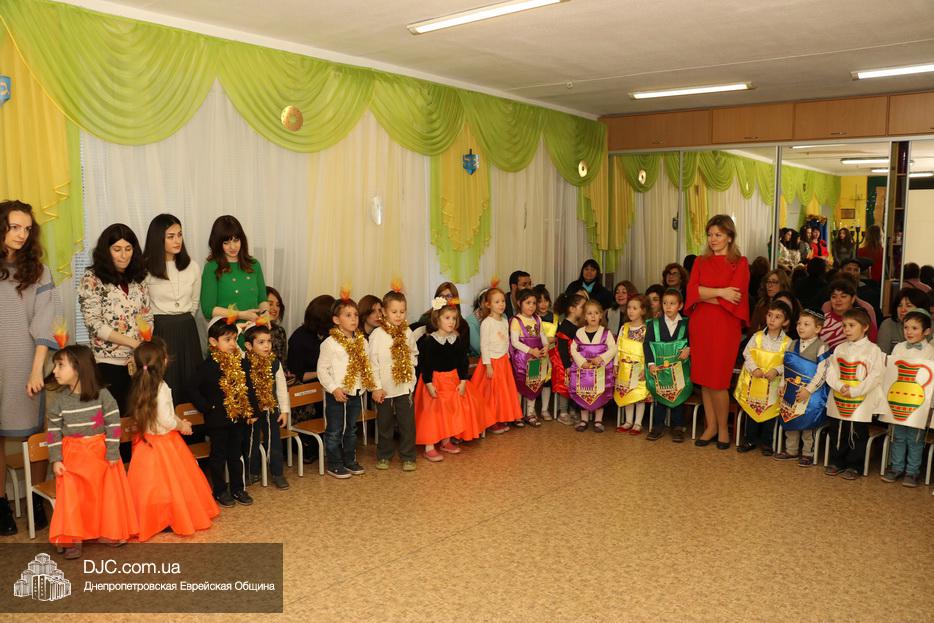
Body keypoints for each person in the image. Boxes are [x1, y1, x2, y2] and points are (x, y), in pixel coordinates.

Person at [0, 200, 61, 535]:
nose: (21, 234)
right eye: (14, 227)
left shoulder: (39, 272)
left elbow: (45, 321)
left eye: (26, 228)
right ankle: (1, 506)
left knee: (34, 435)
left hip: (25, 362)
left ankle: (37, 498)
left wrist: (37, 369)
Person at [46, 345, 137, 558]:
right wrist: (56, 459)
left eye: (60, 365)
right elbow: (53, 433)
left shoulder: (102, 395)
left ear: (78, 368)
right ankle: (73, 538)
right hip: (72, 457)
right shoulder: (59, 402)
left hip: (100, 454)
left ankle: (108, 531)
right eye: (55, 366)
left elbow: (113, 423)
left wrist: (112, 451)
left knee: (105, 494)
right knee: (72, 497)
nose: (55, 371)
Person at [126, 339, 218, 541]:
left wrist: (179, 421)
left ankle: (153, 518)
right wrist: (181, 425)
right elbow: (166, 419)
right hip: (165, 443)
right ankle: (170, 517)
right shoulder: (162, 387)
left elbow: (162, 416)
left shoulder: (141, 384)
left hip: (146, 442)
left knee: (151, 486)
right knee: (172, 483)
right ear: (162, 361)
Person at [685, 215, 750, 448]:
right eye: (710, 234)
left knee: (719, 381)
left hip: (725, 326)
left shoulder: (740, 263)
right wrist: (721, 292)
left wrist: (706, 294)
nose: (713, 239)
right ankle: (710, 426)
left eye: (718, 235)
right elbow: (692, 292)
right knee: (704, 379)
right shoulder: (700, 261)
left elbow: (736, 297)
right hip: (701, 325)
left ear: (729, 237)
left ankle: (723, 429)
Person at [78, 223, 153, 413]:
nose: (124, 255)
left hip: (137, 362)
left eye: (128, 249)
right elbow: (94, 323)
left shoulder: (139, 278)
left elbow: (147, 316)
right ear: (106, 251)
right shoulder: (92, 278)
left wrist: (141, 348)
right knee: (113, 420)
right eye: (117, 249)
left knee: (138, 418)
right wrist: (133, 343)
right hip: (107, 363)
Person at [188, 318, 254, 506]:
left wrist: (251, 411)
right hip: (217, 421)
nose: (233, 343)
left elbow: (248, 387)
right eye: (227, 339)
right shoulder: (207, 366)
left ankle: (238, 488)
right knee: (218, 456)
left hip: (238, 418)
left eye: (234, 339)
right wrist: (206, 407)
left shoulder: (240, 363)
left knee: (236, 455)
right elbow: (191, 388)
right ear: (213, 342)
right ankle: (220, 490)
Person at [142, 214, 202, 403]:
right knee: (164, 382)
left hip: (187, 328)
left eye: (180, 235)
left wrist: (183, 318)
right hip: (160, 330)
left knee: (190, 381)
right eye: (171, 236)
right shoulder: (145, 268)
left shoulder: (192, 266)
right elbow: (143, 307)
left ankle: (192, 422)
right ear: (158, 239)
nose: (177, 240)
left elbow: (194, 302)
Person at [415, 299, 484, 461]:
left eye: (454, 318)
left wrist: (463, 381)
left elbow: (462, 361)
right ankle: (429, 446)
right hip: (434, 381)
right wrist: (429, 383)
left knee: (450, 411)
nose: (451, 322)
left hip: (452, 380)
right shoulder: (429, 341)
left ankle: (446, 441)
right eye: (447, 318)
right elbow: (425, 364)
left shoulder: (456, 339)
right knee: (433, 413)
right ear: (437, 319)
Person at [317, 296, 376, 478]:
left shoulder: (362, 341)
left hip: (356, 392)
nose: (354, 319)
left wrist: (367, 385)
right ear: (336, 320)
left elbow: (366, 365)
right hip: (337, 394)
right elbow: (322, 370)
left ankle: (349, 460)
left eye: (356, 315)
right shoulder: (329, 343)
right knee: (335, 430)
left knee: (351, 429)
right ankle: (334, 464)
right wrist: (334, 388)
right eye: (348, 315)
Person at [824, 308, 885, 480]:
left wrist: (855, 391)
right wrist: (839, 386)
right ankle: (837, 461)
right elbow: (831, 371)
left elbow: (876, 376)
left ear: (865, 327)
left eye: (852, 325)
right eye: (844, 326)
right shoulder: (839, 348)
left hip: (861, 400)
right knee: (838, 429)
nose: (847, 329)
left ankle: (854, 465)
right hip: (839, 396)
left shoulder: (873, 350)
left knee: (857, 432)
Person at [880, 308, 934, 487]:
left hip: (919, 403)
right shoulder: (898, 347)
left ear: (926, 331)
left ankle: (912, 471)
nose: (909, 332)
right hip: (898, 399)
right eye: (906, 327)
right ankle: (896, 467)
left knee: (915, 438)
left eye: (915, 328)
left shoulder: (930, 351)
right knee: (897, 435)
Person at [368, 288, 419, 472]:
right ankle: (384, 455)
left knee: (407, 424)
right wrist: (376, 388)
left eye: (402, 311)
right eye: (394, 311)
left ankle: (408, 456)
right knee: (385, 424)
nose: (398, 315)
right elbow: (372, 363)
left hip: (404, 388)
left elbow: (413, 354)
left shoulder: (407, 332)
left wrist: (411, 378)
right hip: (384, 389)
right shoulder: (377, 335)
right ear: (384, 311)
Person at [773, 309, 831, 466]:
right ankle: (791, 450)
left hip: (811, 393)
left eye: (806, 324)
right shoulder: (792, 344)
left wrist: (808, 390)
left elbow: (822, 373)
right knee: (791, 419)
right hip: (792, 390)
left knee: (808, 423)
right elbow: (787, 367)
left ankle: (808, 453)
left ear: (818, 329)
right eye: (799, 323)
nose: (800, 327)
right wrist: (782, 384)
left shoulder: (822, 347)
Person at [735, 301, 792, 456]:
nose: (772, 319)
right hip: (755, 383)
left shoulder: (787, 342)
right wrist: (754, 368)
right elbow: (747, 354)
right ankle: (750, 439)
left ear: (785, 322)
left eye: (777, 317)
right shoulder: (757, 336)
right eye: (770, 315)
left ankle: (767, 443)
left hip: (773, 384)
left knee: (770, 413)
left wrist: (776, 370)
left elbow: (788, 363)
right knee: (752, 410)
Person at [243, 323, 291, 490]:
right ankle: (252, 471)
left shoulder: (274, 363)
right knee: (251, 441)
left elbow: (282, 388)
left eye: (269, 341)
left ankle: (277, 473)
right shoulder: (243, 362)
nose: (267, 346)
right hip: (252, 412)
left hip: (271, 408)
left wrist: (284, 411)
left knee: (274, 441)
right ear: (249, 345)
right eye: (261, 342)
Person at [471, 287, 522, 435]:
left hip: (503, 361)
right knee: (491, 393)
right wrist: (488, 365)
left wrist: (507, 358)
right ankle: (491, 421)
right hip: (491, 362)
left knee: (502, 393)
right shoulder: (487, 322)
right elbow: (484, 345)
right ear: (488, 304)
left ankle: (500, 418)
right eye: (497, 302)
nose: (501, 304)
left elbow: (506, 341)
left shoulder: (505, 321)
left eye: (503, 301)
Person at [200, 215, 267, 326]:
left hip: (254, 329)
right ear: (217, 244)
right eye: (226, 243)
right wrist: (240, 315)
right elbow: (208, 310)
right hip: (227, 331)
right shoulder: (212, 267)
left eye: (236, 240)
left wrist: (265, 314)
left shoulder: (254, 264)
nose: (233, 247)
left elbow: (262, 300)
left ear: (242, 240)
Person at [644, 289, 691, 443]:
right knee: (660, 396)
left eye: (672, 303)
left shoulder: (686, 324)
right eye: (665, 303)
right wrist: (650, 364)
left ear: (680, 305)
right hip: (659, 369)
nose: (668, 306)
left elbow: (693, 341)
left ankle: (678, 427)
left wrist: (690, 349)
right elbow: (647, 345)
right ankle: (658, 426)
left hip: (679, 369)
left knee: (678, 396)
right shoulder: (653, 324)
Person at [568, 299, 617, 433]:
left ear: (601, 315)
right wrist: (581, 362)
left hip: (600, 370)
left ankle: (598, 420)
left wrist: (601, 358)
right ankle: (584, 420)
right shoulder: (579, 332)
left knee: (599, 393)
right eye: (589, 313)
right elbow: (573, 349)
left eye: (596, 313)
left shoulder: (606, 333)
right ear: (584, 316)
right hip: (583, 371)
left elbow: (613, 349)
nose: (593, 316)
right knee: (583, 392)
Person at [509, 288, 551, 427]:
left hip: (535, 359)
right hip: (521, 360)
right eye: (528, 303)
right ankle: (517, 415)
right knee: (520, 385)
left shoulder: (537, 319)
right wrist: (530, 350)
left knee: (533, 384)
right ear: (519, 303)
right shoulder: (516, 320)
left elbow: (543, 336)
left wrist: (546, 347)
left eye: (534, 303)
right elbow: (515, 342)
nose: (531, 306)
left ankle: (530, 413)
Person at [615, 295, 650, 435]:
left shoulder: (647, 329)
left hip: (638, 368)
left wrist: (645, 368)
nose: (630, 311)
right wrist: (616, 364)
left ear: (643, 310)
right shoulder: (624, 328)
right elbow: (618, 347)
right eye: (629, 307)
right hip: (624, 367)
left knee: (638, 395)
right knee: (626, 393)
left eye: (635, 308)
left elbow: (649, 350)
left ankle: (638, 423)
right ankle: (628, 421)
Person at [550, 294, 585, 426]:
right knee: (564, 387)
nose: (585, 310)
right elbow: (562, 348)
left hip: (574, 361)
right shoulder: (565, 325)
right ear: (572, 309)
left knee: (575, 387)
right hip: (564, 362)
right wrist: (567, 365)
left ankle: (572, 411)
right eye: (582, 307)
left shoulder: (579, 325)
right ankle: (563, 413)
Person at [288, 295, 335, 384]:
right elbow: (296, 376)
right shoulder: (298, 339)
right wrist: (321, 373)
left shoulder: (331, 334)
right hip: (307, 388)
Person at [821, 279, 877, 350]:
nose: (838, 300)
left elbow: (871, 346)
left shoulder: (862, 320)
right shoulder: (822, 320)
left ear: (853, 299)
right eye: (834, 297)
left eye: (843, 296)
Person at [877, 288, 929, 355]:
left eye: (908, 306)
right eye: (900, 305)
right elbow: (881, 355)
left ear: (921, 309)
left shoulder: (930, 326)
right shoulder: (888, 324)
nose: (903, 310)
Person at [265, 287, 290, 376]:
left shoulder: (280, 331)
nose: (275, 308)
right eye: (270, 304)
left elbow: (283, 362)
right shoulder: (251, 330)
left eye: (278, 305)